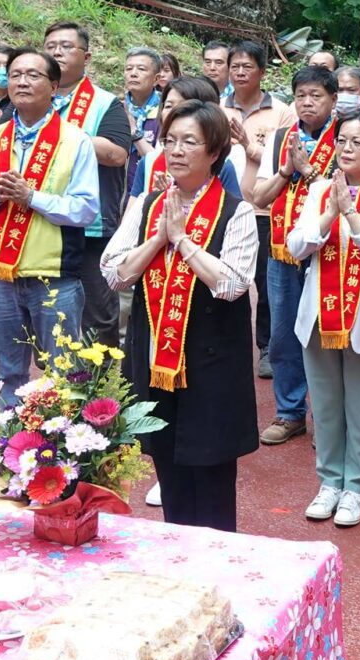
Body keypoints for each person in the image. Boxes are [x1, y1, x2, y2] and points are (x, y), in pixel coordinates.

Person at [102, 100, 260, 532]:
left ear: (215, 152)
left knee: (212, 481)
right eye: (169, 140)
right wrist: (158, 239)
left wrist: (183, 241)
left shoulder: (237, 211)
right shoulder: (146, 204)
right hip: (156, 362)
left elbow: (231, 285)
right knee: (169, 476)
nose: (175, 150)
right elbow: (114, 273)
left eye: (189, 142)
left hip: (210, 365)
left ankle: (217, 563)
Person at [0, 48, 99, 406]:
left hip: (54, 276)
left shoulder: (75, 140)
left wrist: (31, 197)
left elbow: (86, 209)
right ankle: (11, 439)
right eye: (15, 74)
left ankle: (66, 440)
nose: (22, 81)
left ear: (54, 86)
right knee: (8, 375)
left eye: (33, 75)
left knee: (64, 373)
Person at [287, 111, 360, 526]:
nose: (347, 149)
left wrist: (352, 213)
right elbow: (296, 246)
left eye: (358, 142)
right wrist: (329, 213)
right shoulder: (319, 190)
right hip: (319, 316)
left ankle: (355, 487)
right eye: (341, 140)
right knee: (325, 406)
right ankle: (329, 483)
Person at [252, 66, 340, 445]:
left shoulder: (346, 137)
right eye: (301, 95)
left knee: (326, 333)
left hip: (329, 250)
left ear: (333, 100)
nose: (307, 102)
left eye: (316, 95)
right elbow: (260, 197)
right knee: (283, 334)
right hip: (283, 251)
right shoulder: (280, 139)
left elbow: (348, 193)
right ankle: (290, 413)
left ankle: (328, 418)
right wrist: (288, 171)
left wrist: (308, 170)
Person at [42, 22, 131, 348]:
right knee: (45, 309)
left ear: (87, 57)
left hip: (90, 227)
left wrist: (56, 134)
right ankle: (53, 377)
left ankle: (102, 379)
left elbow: (116, 154)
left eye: (66, 46)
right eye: (50, 46)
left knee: (98, 313)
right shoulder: (29, 99)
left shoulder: (105, 103)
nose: (57, 52)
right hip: (39, 221)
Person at [223, 40, 296, 380]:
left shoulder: (281, 112)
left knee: (266, 285)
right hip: (223, 210)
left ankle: (267, 347)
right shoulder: (217, 109)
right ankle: (228, 343)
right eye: (234, 66)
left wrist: (247, 144)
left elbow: (287, 161)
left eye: (247, 66)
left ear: (262, 72)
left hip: (263, 210)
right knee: (225, 277)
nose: (239, 72)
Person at [130, 77, 243, 205]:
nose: (173, 112)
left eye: (183, 106)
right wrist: (157, 201)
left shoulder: (222, 165)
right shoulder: (149, 162)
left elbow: (231, 209)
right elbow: (131, 212)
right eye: (168, 106)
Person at [121, 47, 165, 195]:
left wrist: (134, 131)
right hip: (116, 193)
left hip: (149, 192)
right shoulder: (116, 106)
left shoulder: (165, 110)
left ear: (156, 79)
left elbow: (161, 162)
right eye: (128, 69)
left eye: (141, 69)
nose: (133, 73)